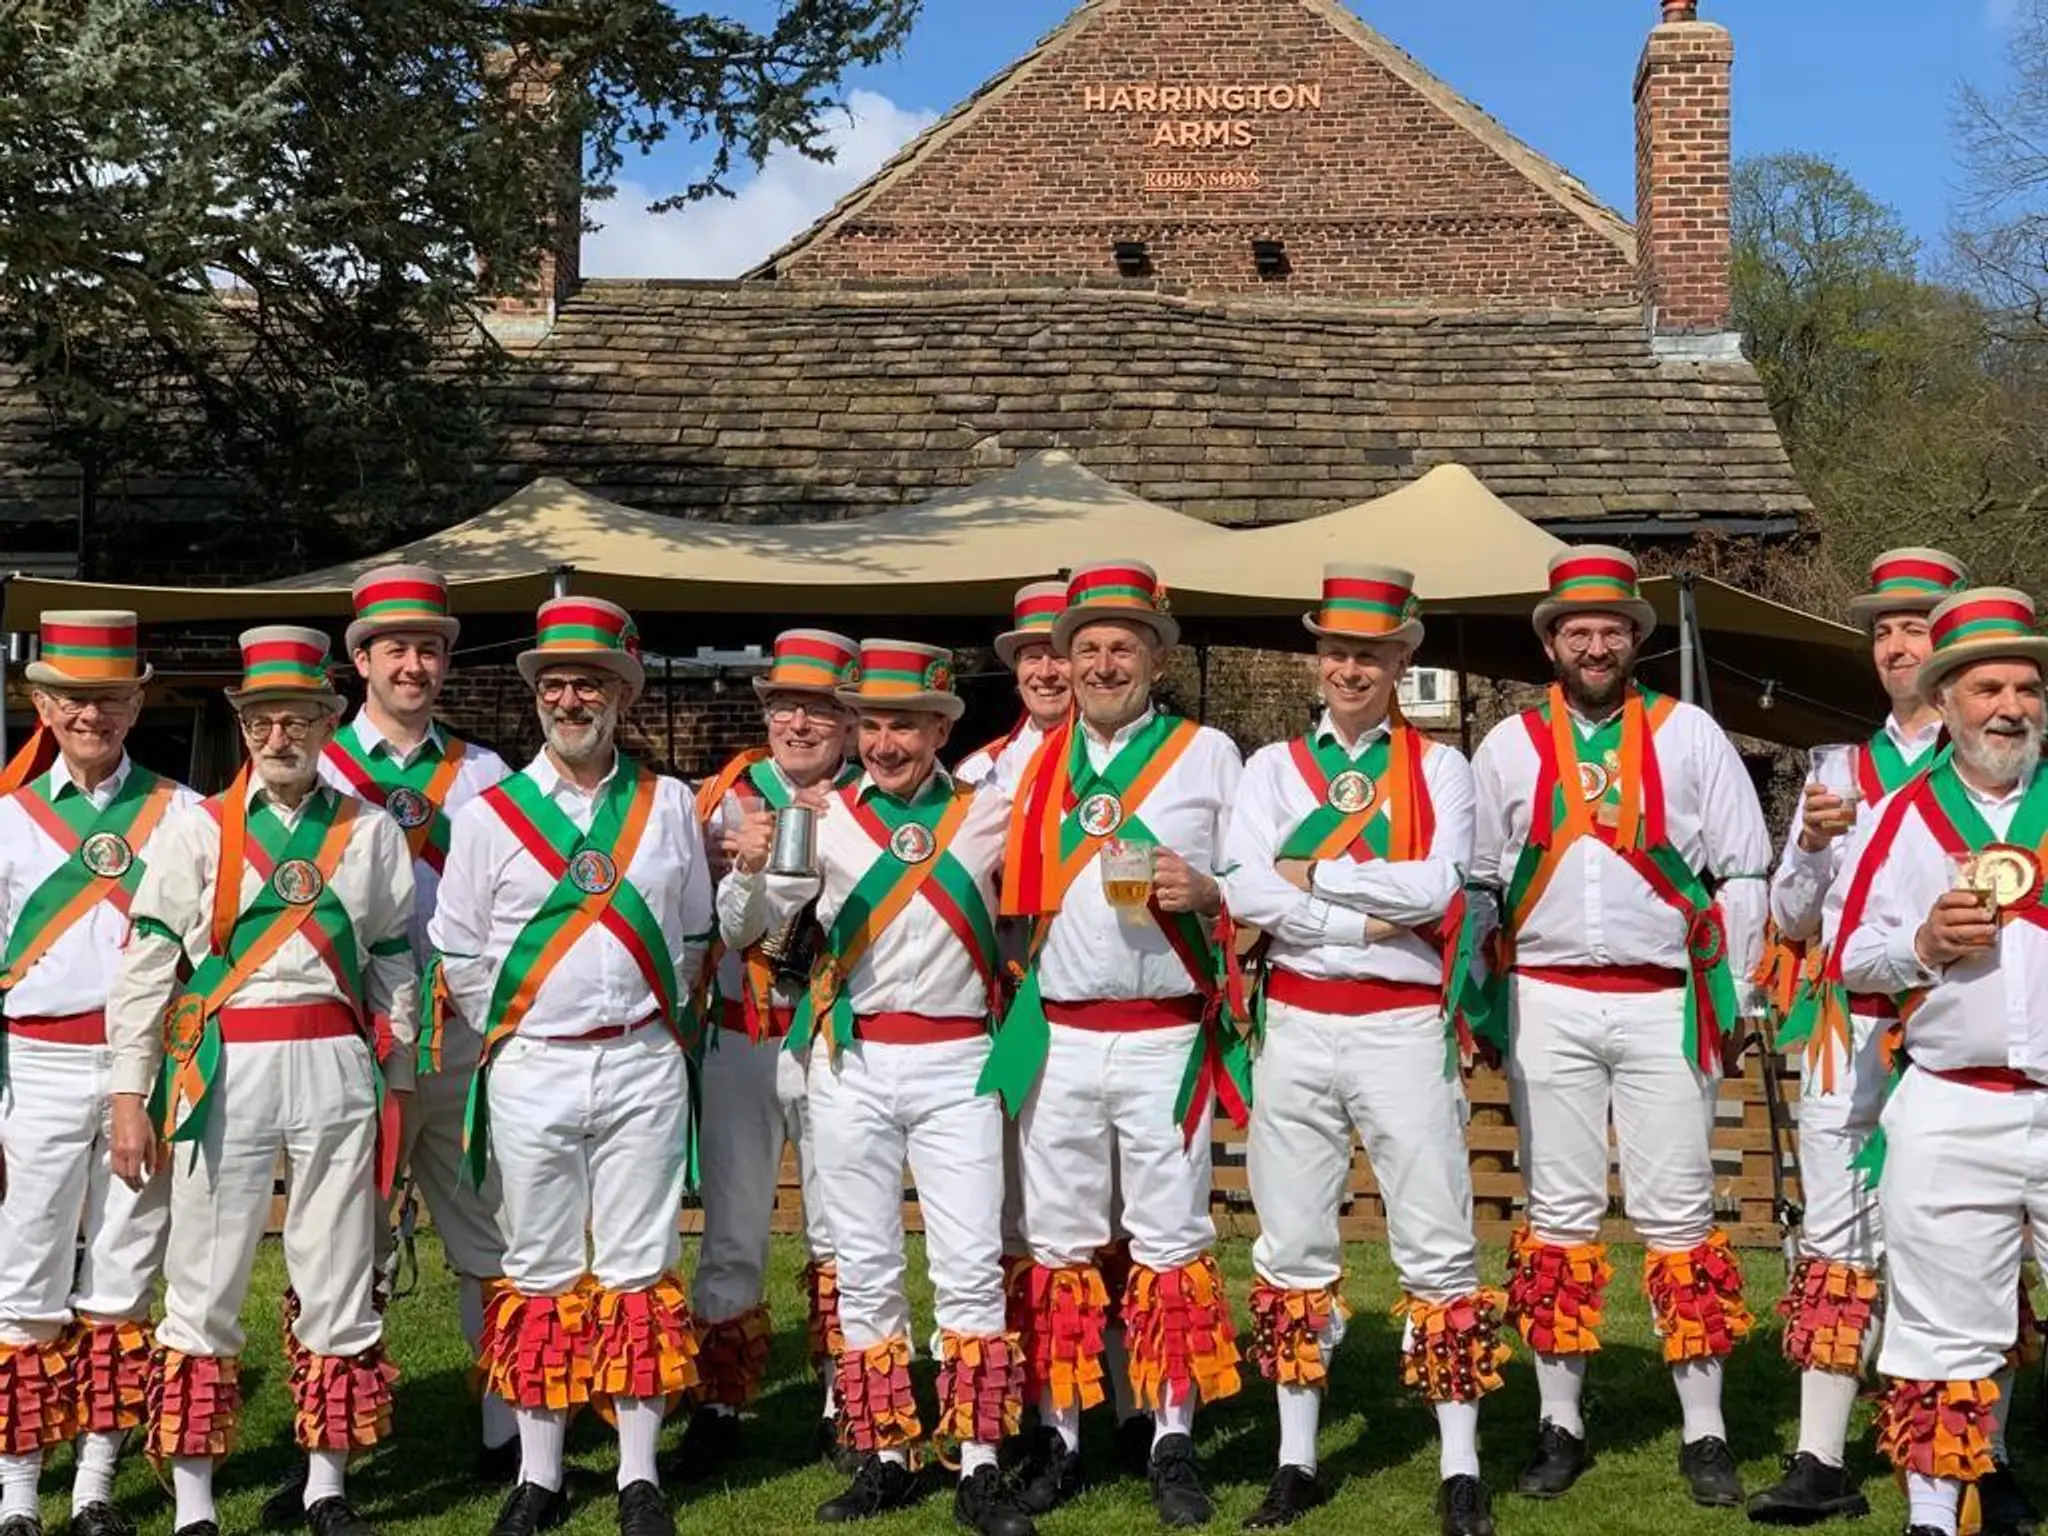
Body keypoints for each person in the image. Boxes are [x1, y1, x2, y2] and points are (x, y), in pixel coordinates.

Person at [1467, 546, 1769, 1508]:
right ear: (1551, 641)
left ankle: (1706, 1430)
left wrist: (1741, 994)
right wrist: (1480, 995)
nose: (1594, 644)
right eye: (1576, 629)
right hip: (1548, 997)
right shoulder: (1509, 746)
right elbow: (1478, 884)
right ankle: (1560, 1422)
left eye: (1612, 630)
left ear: (1635, 642)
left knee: (1678, 1212)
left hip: (1665, 999)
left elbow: (1746, 868)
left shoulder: (1691, 736)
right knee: (1557, 1216)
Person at [106, 626, 419, 1536]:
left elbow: (396, 964)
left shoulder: (369, 832)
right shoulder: (194, 828)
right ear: (243, 729)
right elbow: (146, 968)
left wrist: (396, 1087)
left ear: (329, 721)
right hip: (224, 1062)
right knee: (203, 1274)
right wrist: (131, 1096)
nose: (279, 737)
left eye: (297, 719)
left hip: (334, 1059)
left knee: (339, 1268)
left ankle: (327, 1486)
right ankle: (195, 1504)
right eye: (262, 721)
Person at [727, 639, 1034, 1535]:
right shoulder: (816, 820)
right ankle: (884, 1452)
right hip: (850, 1063)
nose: (884, 742)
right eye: (870, 723)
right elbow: (748, 929)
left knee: (969, 1264)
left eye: (905, 723)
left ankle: (978, 1461)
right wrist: (750, 867)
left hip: (959, 1063)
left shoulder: (992, 813)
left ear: (943, 728)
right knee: (863, 1268)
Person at [1221, 567, 1503, 1536]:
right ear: (1317, 657)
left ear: (1400, 660)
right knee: (1290, 1241)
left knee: (1435, 1238)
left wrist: (1320, 878)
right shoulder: (1267, 772)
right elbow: (1246, 894)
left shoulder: (1439, 771)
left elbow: (1438, 892)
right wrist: (1357, 917)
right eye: (1335, 650)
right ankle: (1294, 1459)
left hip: (1400, 1028)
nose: (1349, 667)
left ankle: (1459, 1464)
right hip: (1294, 1022)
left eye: (1369, 653)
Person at [429, 597, 712, 1536]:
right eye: (553, 681)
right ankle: (540, 1476)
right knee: (539, 1267)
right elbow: (458, 947)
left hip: (641, 1062)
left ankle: (639, 1477)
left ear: (623, 693)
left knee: (639, 1265)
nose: (569, 695)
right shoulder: (487, 815)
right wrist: (519, 1029)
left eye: (589, 680)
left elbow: (698, 936)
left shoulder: (668, 805)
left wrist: (638, 1021)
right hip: (533, 1067)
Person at [984, 561, 1246, 1528]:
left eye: (1121, 647)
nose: (1101, 664)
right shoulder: (1019, 767)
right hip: (1054, 1037)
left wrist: (1212, 892)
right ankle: (1062, 1433)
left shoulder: (1208, 753)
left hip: (1163, 1037)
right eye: (1086, 647)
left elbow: (1256, 871)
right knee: (1056, 1247)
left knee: (1170, 1242)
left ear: (1154, 659)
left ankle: (1169, 1436)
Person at [1747, 549, 1964, 1527]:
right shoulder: (1834, 769)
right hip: (1847, 1031)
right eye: (1881, 630)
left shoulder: (1997, 769)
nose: (1894, 644)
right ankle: (1818, 1457)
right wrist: (1810, 844)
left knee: (1959, 1242)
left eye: (1912, 626)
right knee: (1833, 1237)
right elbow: (1791, 919)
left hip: (1955, 1036)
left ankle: (1973, 1459)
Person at [1837, 587, 2048, 1536]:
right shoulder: (1895, 819)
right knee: (1936, 1330)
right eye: (1990, 687)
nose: (2012, 706)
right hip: (1947, 1101)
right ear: (1949, 697)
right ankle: (1931, 1517)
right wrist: (1922, 942)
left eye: (2029, 688)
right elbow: (1849, 960)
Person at [309, 564, 515, 1490]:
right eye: (395, 647)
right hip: (356, 1041)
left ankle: (507, 1437)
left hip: (465, 1038)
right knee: (338, 1243)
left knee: (492, 1236)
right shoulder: (314, 767)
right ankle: (333, 1463)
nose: (415, 663)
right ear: (360, 661)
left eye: (430, 648)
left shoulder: (485, 773)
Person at [0, 611, 196, 1536]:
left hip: (142, 1070)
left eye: (111, 697)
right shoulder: (6, 821)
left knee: (123, 1277)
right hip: (31, 1064)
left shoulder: (184, 813)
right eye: (74, 697)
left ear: (136, 701)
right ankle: (15, 1495)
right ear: (42, 703)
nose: (93, 714)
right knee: (23, 1273)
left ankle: (95, 1490)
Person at [677, 629, 861, 1473]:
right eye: (785, 704)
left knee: (840, 1227)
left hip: (837, 1040)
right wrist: (742, 865)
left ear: (851, 719)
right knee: (734, 1231)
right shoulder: (717, 796)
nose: (799, 721)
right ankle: (718, 1403)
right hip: (744, 1036)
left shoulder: (877, 798)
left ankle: (841, 1399)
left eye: (820, 706)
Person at [955, 582, 1071, 788]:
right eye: (1033, 658)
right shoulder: (979, 770)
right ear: (1017, 671)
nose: (1045, 673)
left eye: (1059, 657)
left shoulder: (1111, 756)